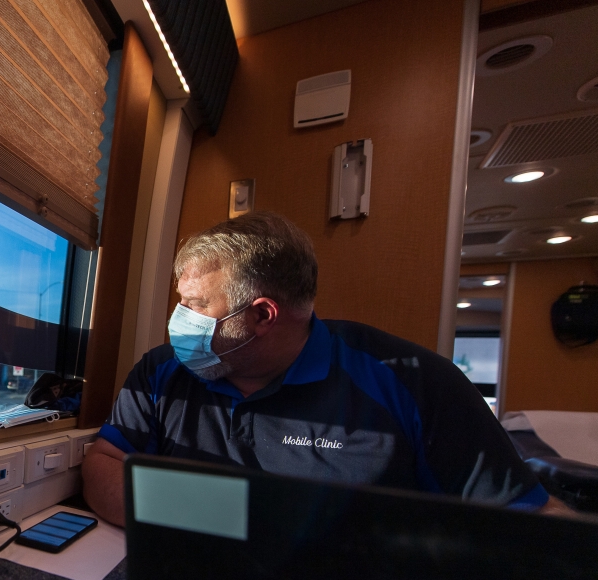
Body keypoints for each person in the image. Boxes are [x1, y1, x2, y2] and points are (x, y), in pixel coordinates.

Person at [82, 212, 568, 527]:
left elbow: (537, 520)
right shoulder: (161, 373)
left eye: (194, 305)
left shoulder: (415, 384)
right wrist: (224, 518)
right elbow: (103, 466)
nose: (179, 320)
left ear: (262, 316)